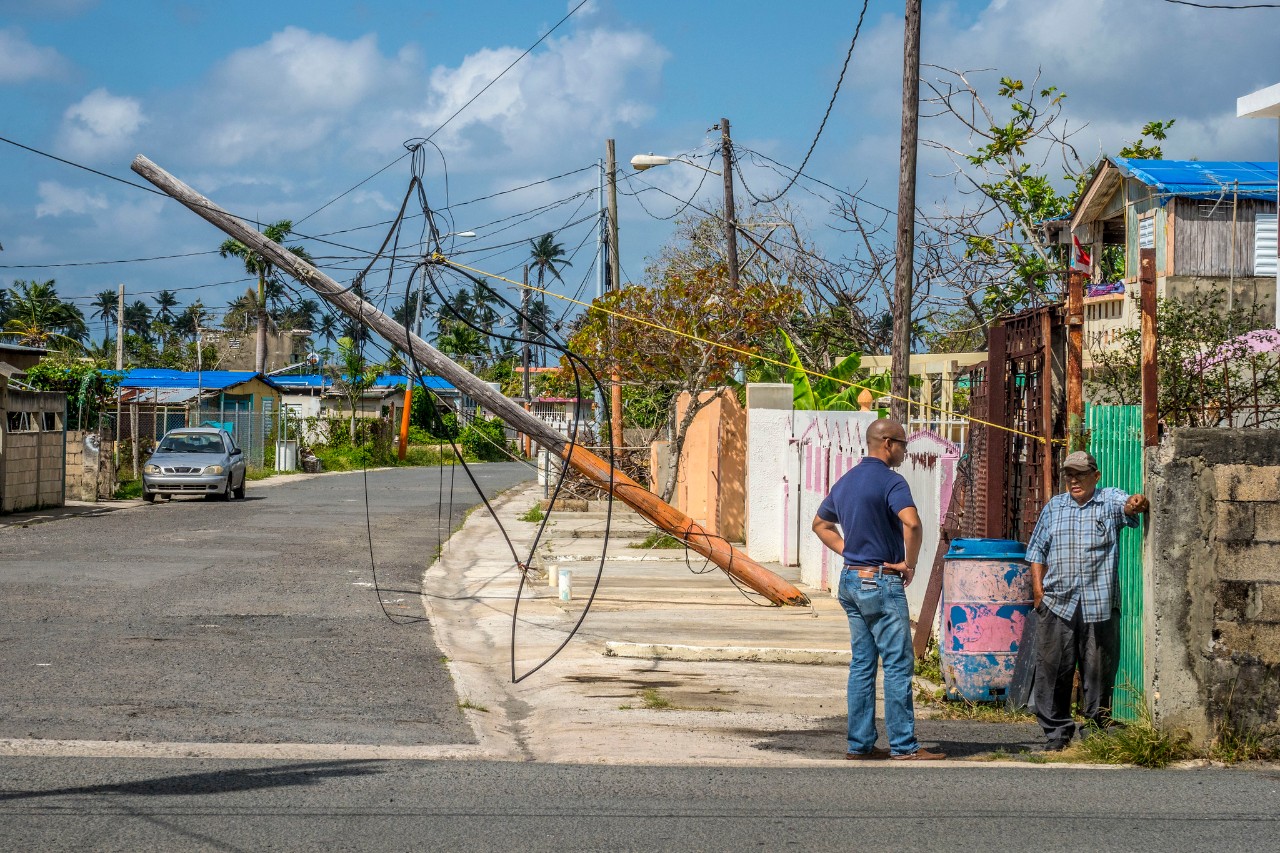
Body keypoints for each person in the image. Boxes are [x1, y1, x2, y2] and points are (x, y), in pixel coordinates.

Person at [812, 418, 946, 761]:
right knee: (899, 663)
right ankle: (904, 745)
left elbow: (820, 524)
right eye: (902, 443)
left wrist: (850, 551)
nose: (904, 450)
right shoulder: (891, 481)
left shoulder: (846, 482)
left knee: (862, 664)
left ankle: (859, 744)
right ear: (887, 443)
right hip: (880, 581)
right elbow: (912, 522)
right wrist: (909, 563)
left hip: (851, 580)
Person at [1026, 450, 1151, 751]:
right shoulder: (1055, 507)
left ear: (1095, 477)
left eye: (1080, 474)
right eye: (1069, 474)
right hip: (1058, 602)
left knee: (1098, 670)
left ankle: (1095, 728)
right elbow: (1036, 551)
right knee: (1054, 669)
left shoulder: (1107, 501)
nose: (1073, 480)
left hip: (1100, 603)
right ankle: (1056, 734)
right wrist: (1038, 592)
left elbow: (1129, 504)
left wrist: (1137, 502)